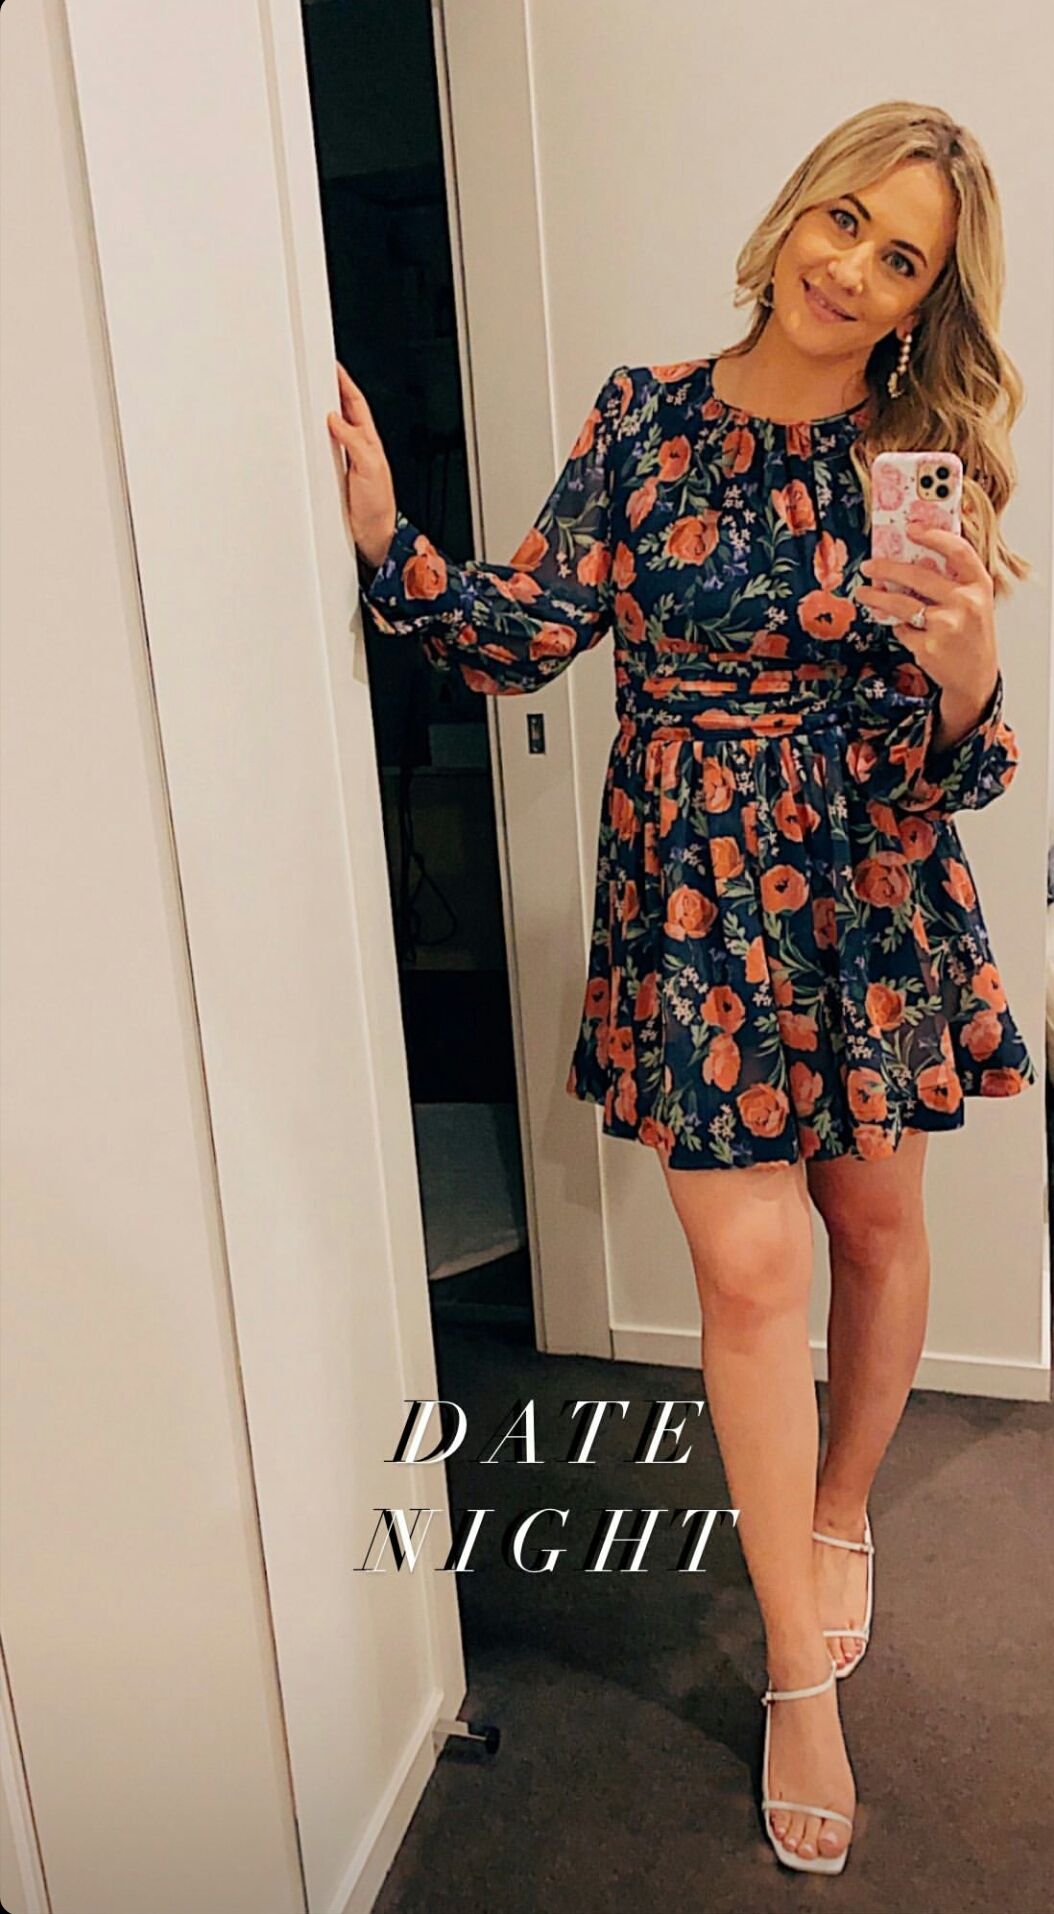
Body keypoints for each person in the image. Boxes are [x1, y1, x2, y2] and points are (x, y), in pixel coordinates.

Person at [327, 100, 1037, 1877]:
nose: (850, 268)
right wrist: (388, 536)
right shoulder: (643, 416)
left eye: (899, 258)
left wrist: (966, 676)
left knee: (873, 1226)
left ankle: (840, 1505)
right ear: (797, 206)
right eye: (844, 218)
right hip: (695, 898)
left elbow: (943, 766)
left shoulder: (913, 465)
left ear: (921, 301)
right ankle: (795, 1667)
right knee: (748, 1270)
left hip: (864, 897)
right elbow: (519, 635)